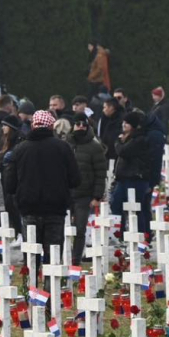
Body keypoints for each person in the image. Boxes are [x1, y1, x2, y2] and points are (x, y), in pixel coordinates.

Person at [3, 110, 81, 260]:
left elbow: (10, 185)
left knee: (31, 256)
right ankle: (50, 284)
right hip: (55, 209)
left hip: (29, 209)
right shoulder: (63, 148)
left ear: (33, 126)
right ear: (51, 127)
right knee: (53, 256)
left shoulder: (20, 149)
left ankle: (31, 282)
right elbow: (75, 180)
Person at [68, 113, 106, 265]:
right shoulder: (66, 144)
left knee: (79, 229)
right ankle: (64, 256)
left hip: (84, 194)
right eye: (78, 124)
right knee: (64, 229)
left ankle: (75, 259)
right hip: (66, 194)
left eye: (84, 124)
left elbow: (100, 173)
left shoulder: (94, 146)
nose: (81, 127)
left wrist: (97, 196)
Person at [111, 111, 152, 235]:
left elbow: (123, 152)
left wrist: (118, 142)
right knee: (116, 205)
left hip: (136, 179)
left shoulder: (139, 139)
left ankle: (141, 237)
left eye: (127, 123)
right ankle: (119, 234)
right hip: (123, 179)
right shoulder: (127, 138)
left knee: (136, 209)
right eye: (123, 122)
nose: (123, 125)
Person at [96, 96, 124, 162]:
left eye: (105, 107)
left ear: (111, 107)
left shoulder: (121, 120)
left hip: (116, 156)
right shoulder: (104, 119)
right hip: (106, 155)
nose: (103, 110)